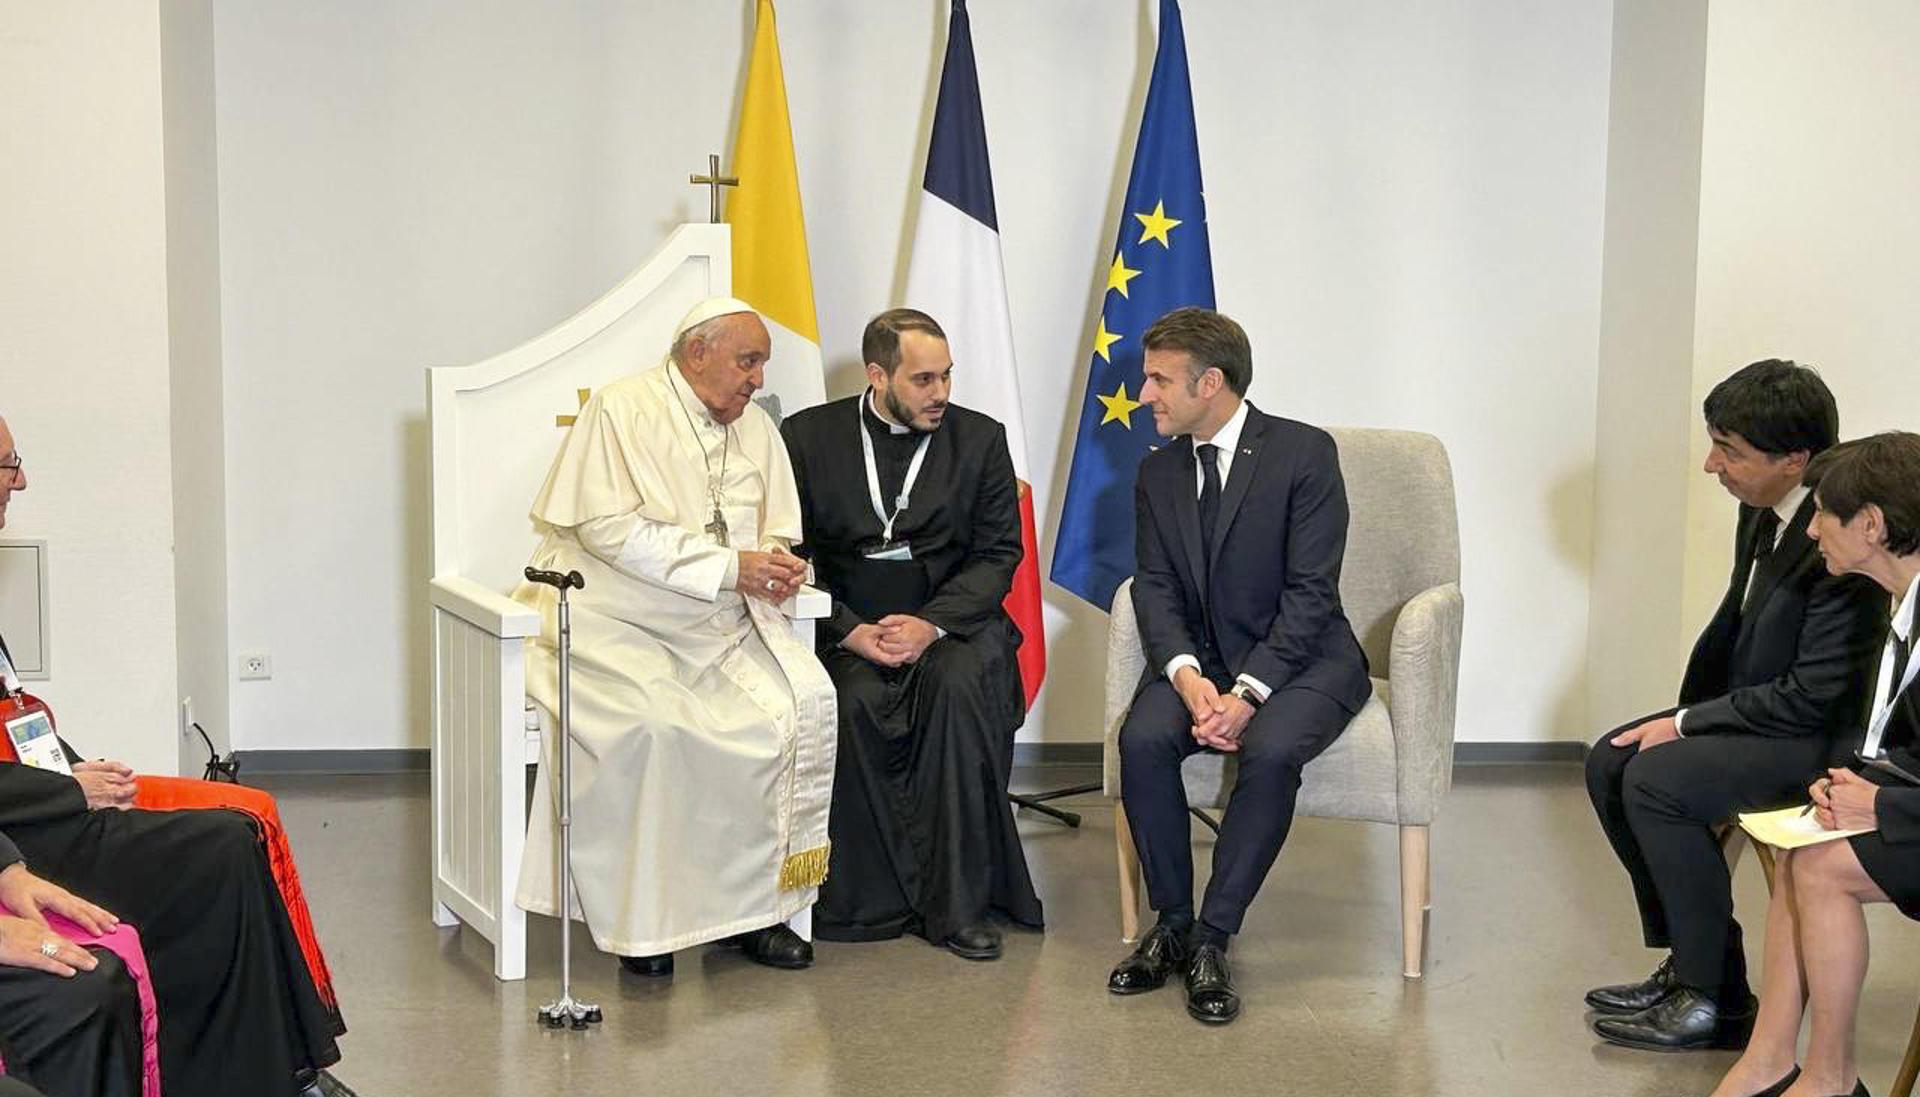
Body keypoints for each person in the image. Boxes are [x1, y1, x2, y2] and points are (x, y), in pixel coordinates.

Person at [0, 416, 353, 1097]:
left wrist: (71, 766)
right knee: (216, 853)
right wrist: (68, 790)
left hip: (38, 813)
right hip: (33, 827)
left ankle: (283, 1070)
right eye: (10, 465)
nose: (22, 481)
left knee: (233, 836)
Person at [513, 297, 838, 977]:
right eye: (747, 361)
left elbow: (774, 523)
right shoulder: (622, 409)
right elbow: (604, 527)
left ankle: (753, 916)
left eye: (762, 365)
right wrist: (729, 565)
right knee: (655, 730)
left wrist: (773, 561)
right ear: (698, 353)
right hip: (615, 622)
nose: (757, 380)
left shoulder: (755, 429)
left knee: (775, 722)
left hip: (720, 627)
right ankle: (646, 926)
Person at [1585, 361, 1887, 1053]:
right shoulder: (1763, 511)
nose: (1711, 463)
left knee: (1658, 783)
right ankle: (1698, 964)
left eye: (1731, 450)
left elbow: (1813, 695)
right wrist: (1679, 717)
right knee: (1614, 757)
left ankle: (1714, 997)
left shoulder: (1834, 537)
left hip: (1816, 736)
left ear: (1796, 460)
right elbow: (1734, 626)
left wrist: (1688, 726)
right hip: (1762, 714)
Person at [1106, 308, 1371, 1025]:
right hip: (1203, 661)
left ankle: (1214, 938)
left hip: (1304, 659)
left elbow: (1311, 593)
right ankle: (1171, 923)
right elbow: (1154, 586)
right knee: (1142, 737)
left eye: (1160, 379)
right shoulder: (1157, 472)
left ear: (1211, 382)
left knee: (1274, 747)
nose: (1146, 394)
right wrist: (1190, 680)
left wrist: (1247, 694)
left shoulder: (1303, 453)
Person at [779, 308, 1043, 961]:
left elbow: (998, 554)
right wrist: (846, 630)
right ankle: (860, 902)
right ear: (878, 374)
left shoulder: (980, 440)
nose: (941, 393)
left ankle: (958, 907)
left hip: (953, 623)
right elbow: (788, 551)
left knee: (956, 691)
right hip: (849, 623)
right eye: (923, 379)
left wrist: (932, 624)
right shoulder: (808, 437)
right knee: (853, 701)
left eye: (947, 376)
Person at [1709, 432, 1920, 1097]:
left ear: (1871, 524)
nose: (1812, 527)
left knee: (1824, 865)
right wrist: (1859, 784)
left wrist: (1881, 805)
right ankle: (1772, 1057)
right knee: (1799, 843)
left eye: (1823, 511)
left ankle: (1831, 1075)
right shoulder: (1903, 603)